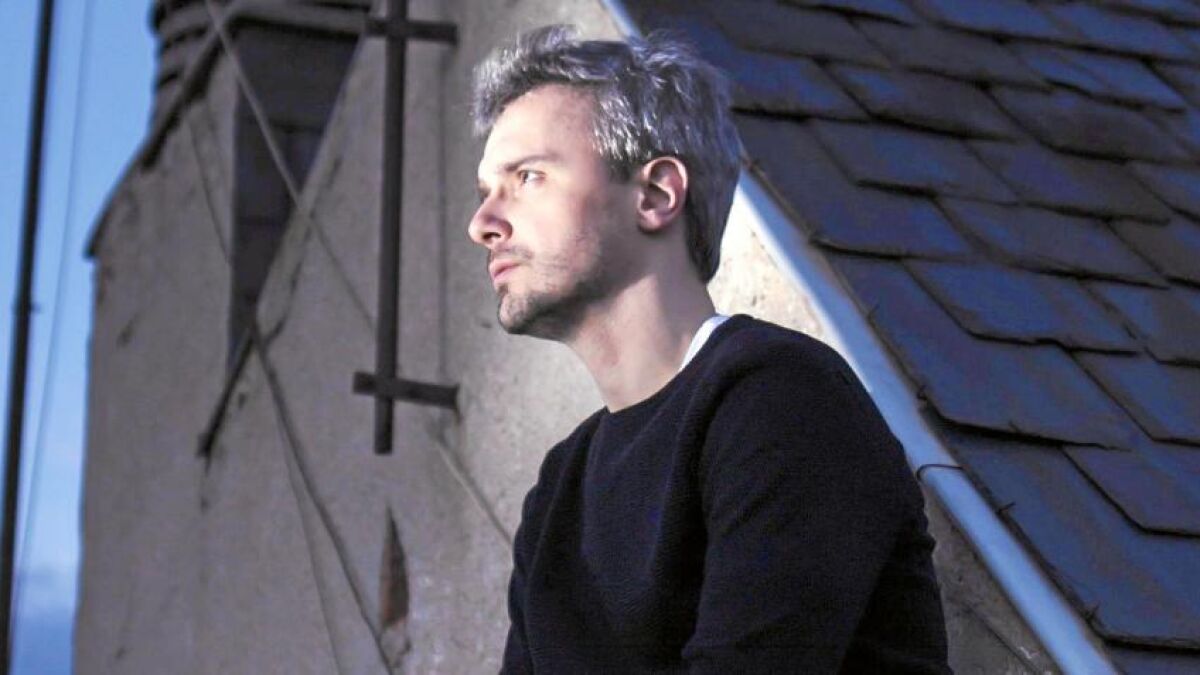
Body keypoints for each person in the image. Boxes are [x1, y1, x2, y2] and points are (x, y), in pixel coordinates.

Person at [468, 25, 950, 674]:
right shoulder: (561, 489)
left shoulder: (781, 400)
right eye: (485, 193)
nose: (482, 224)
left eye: (527, 177)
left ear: (656, 194)